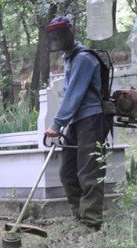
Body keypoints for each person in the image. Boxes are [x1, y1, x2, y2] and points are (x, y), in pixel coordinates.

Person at [43, 15, 112, 231]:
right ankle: (79, 217)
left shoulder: (83, 58)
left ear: (71, 31)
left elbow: (75, 94)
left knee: (88, 172)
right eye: (55, 35)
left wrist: (57, 124)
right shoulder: (69, 58)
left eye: (62, 33)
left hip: (91, 119)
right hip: (77, 121)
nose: (58, 38)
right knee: (67, 173)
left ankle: (91, 223)